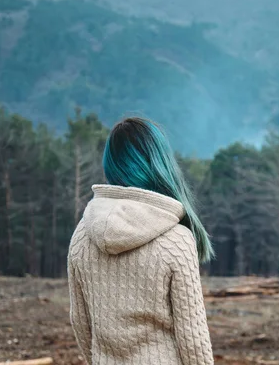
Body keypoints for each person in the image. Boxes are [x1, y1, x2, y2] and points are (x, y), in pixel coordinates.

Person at [68, 117, 215, 365]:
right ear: (159, 164)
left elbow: (81, 324)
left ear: (111, 164)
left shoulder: (82, 235)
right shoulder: (176, 240)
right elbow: (192, 338)